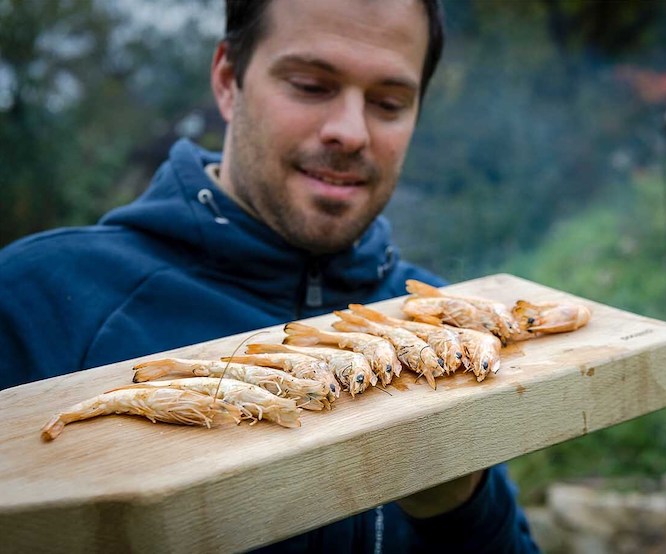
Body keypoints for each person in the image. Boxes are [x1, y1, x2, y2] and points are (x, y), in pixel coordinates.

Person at [0, 0, 540, 551]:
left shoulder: (438, 323)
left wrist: (458, 503)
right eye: (310, 85)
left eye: (388, 102)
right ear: (229, 80)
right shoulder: (33, 299)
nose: (351, 132)